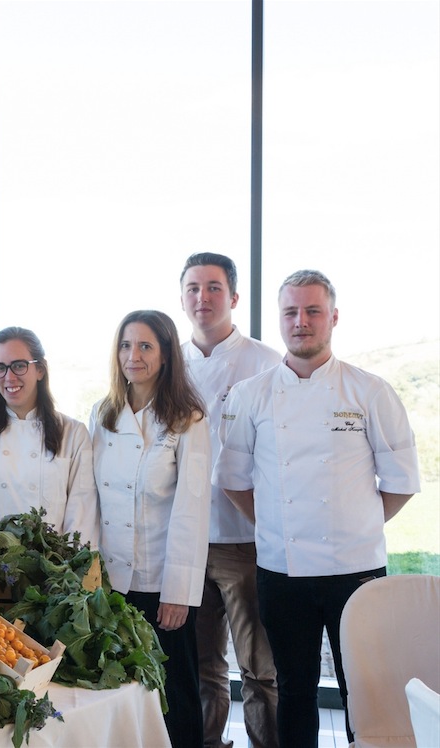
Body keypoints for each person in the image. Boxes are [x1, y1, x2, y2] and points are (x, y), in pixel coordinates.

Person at [214, 270, 419, 748]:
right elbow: (234, 482)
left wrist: (355, 524)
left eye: (312, 311)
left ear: (333, 317)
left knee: (362, 690)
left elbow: (401, 483)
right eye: (291, 312)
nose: (301, 322)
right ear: (280, 319)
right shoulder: (252, 395)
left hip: (358, 570)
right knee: (294, 687)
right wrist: (276, 528)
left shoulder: (369, 392)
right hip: (282, 570)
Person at [89, 309, 210, 748]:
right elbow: (92, 499)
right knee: (123, 691)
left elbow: (192, 511)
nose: (133, 355)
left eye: (145, 346)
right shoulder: (103, 415)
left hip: (162, 581)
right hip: (112, 580)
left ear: (165, 355)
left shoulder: (188, 419)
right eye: (125, 345)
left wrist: (178, 591)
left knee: (174, 689)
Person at [179, 252, 280, 748]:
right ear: (182, 298)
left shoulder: (265, 362)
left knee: (259, 668)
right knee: (201, 667)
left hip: (244, 540)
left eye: (214, 287)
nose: (203, 297)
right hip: (186, 542)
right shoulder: (168, 363)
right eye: (194, 288)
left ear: (234, 298)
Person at [0, 326, 100, 544]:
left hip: (53, 568)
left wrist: (66, 571)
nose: (9, 377)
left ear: (40, 370)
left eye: (19, 366)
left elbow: (82, 514)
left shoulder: (73, 433)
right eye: (0, 368)